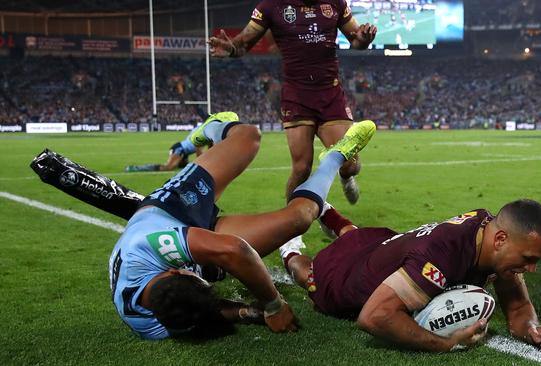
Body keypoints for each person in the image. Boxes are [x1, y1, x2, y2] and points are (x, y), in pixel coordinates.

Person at [109, 109, 376, 340]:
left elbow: (234, 251)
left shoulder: (145, 248)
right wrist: (247, 313)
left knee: (248, 138)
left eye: (195, 278)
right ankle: (336, 156)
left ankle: (210, 127)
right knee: (300, 218)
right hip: (198, 246)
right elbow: (204, 312)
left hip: (176, 209)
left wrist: (274, 306)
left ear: (175, 272)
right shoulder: (149, 323)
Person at [280, 199, 541, 353]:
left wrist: (532, 329)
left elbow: (517, 308)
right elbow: (374, 317)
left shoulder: (494, 241)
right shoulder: (443, 254)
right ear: (501, 239)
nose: (531, 269)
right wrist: (446, 343)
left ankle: (333, 218)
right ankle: (290, 247)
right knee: (309, 274)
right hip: (346, 278)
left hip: (388, 248)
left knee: (356, 240)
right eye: (528, 259)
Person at [207, 0, 377, 208]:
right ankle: (291, 231)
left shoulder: (335, 3)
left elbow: (355, 39)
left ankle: (346, 176)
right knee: (301, 167)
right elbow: (243, 43)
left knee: (350, 163)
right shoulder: (270, 6)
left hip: (330, 93)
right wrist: (231, 49)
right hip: (297, 96)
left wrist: (364, 39)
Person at [124, 119, 228, 172]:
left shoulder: (204, 130)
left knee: (182, 167)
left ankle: (182, 161)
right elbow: (198, 150)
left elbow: (212, 148)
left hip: (185, 152)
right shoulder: (202, 133)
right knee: (168, 167)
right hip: (179, 148)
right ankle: (136, 168)